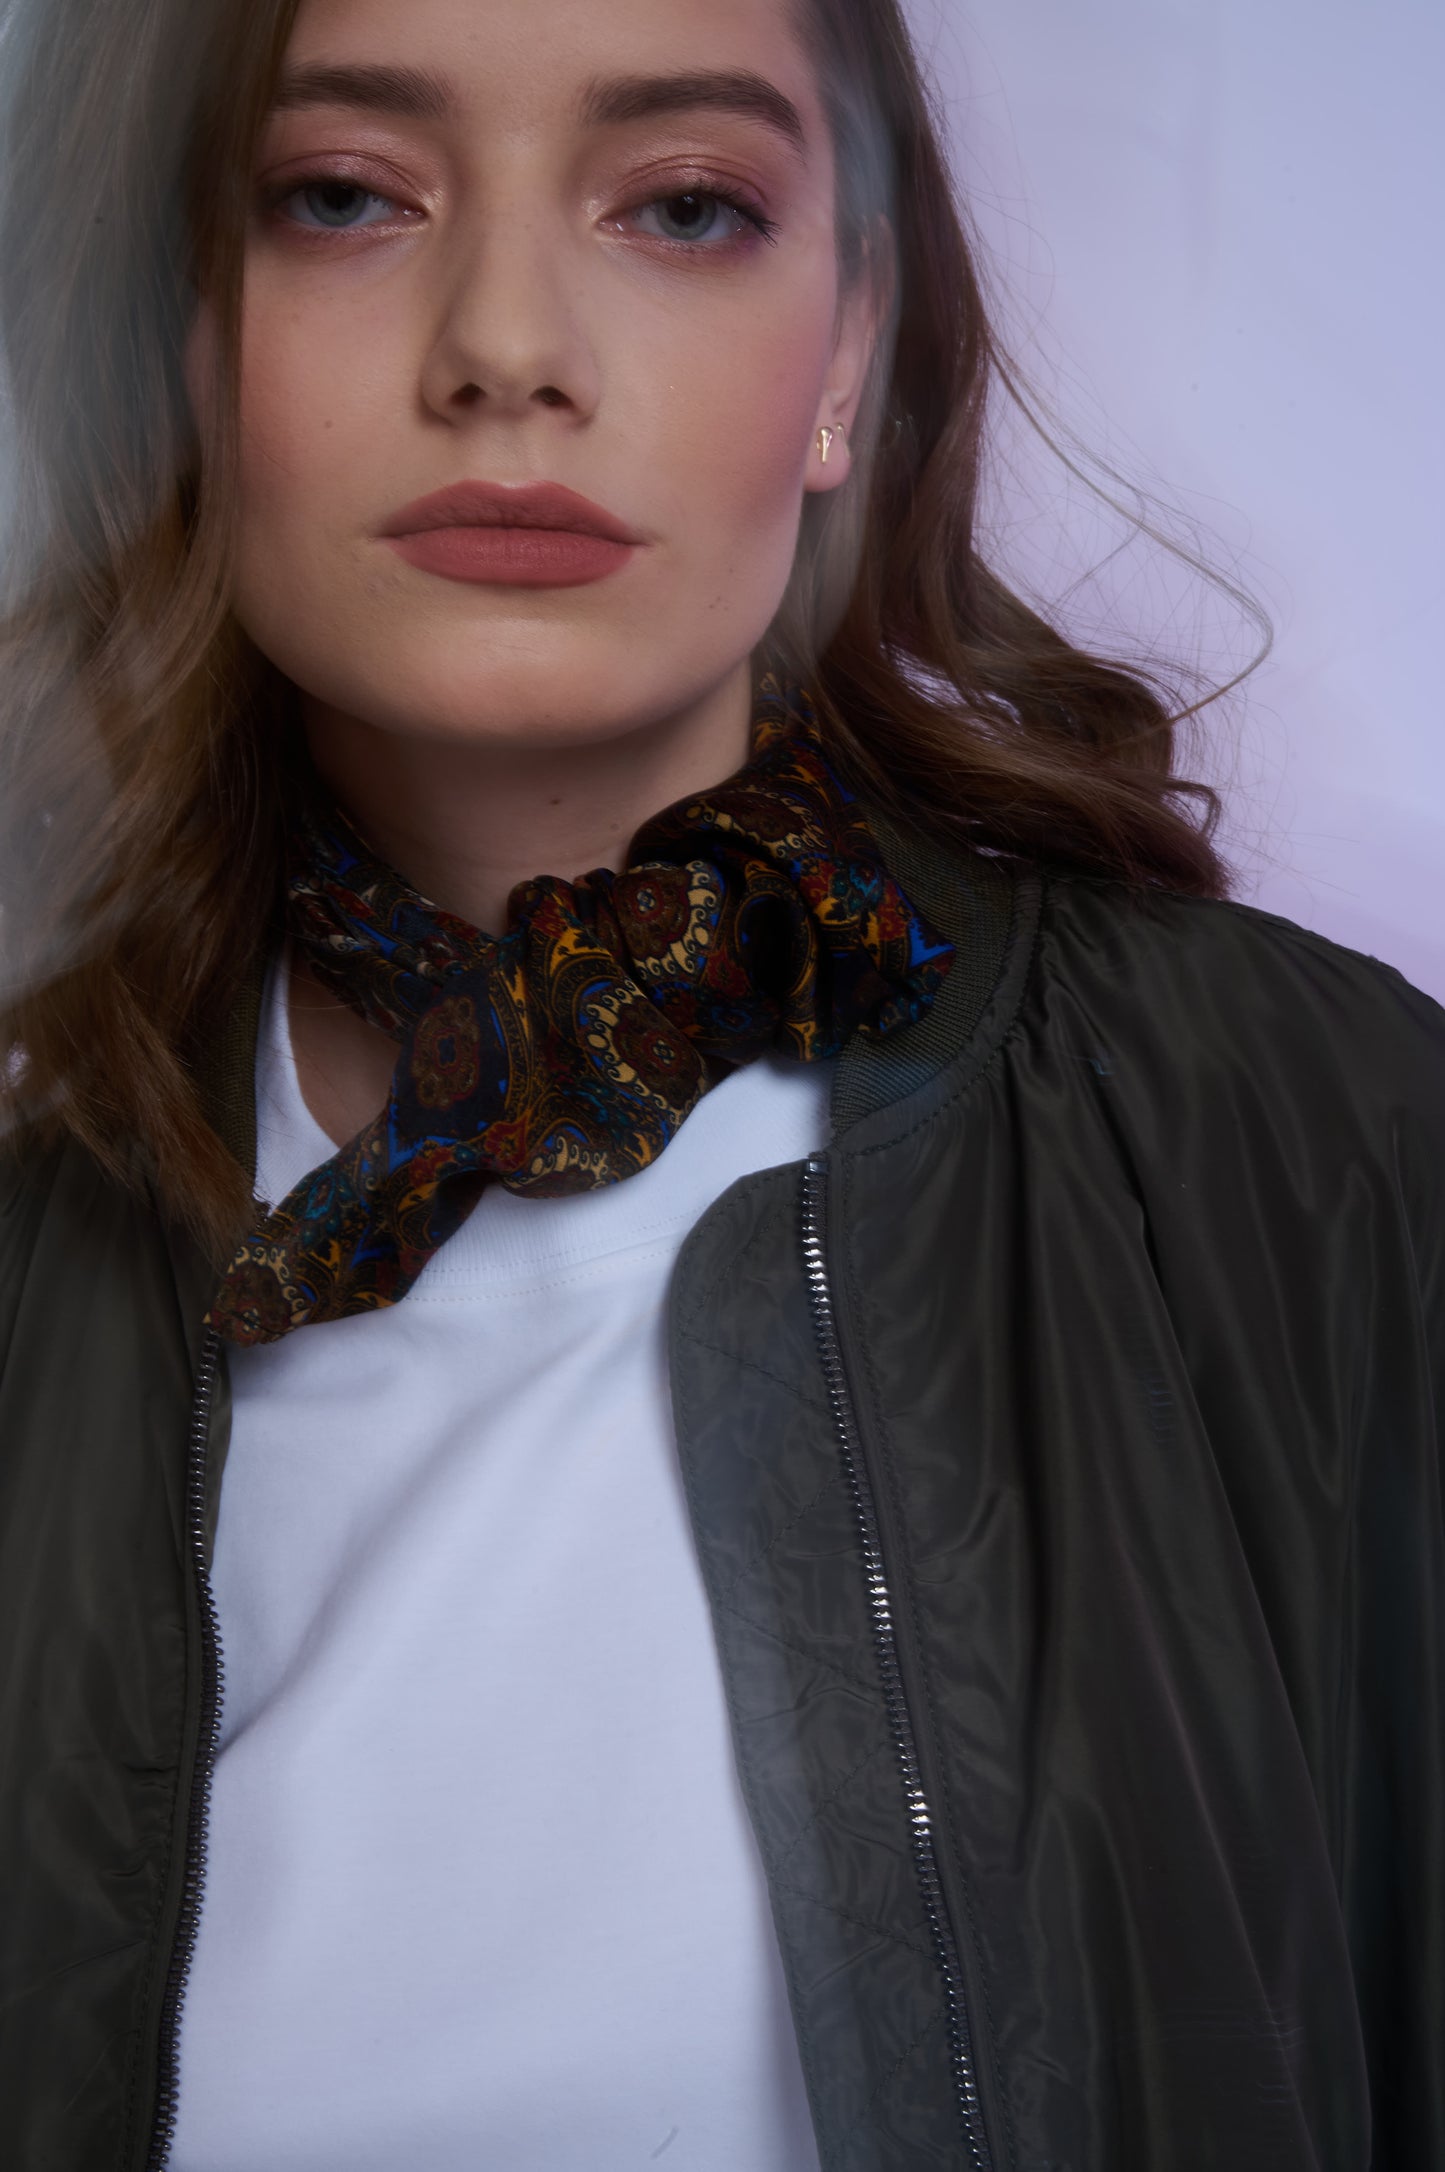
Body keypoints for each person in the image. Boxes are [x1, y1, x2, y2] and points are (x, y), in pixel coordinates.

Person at [0, 0, 1440, 2165]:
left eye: (685, 204)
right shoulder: (35, 1216)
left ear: (849, 347)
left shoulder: (1328, 1147)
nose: (506, 344)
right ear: (172, 336)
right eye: (338, 199)